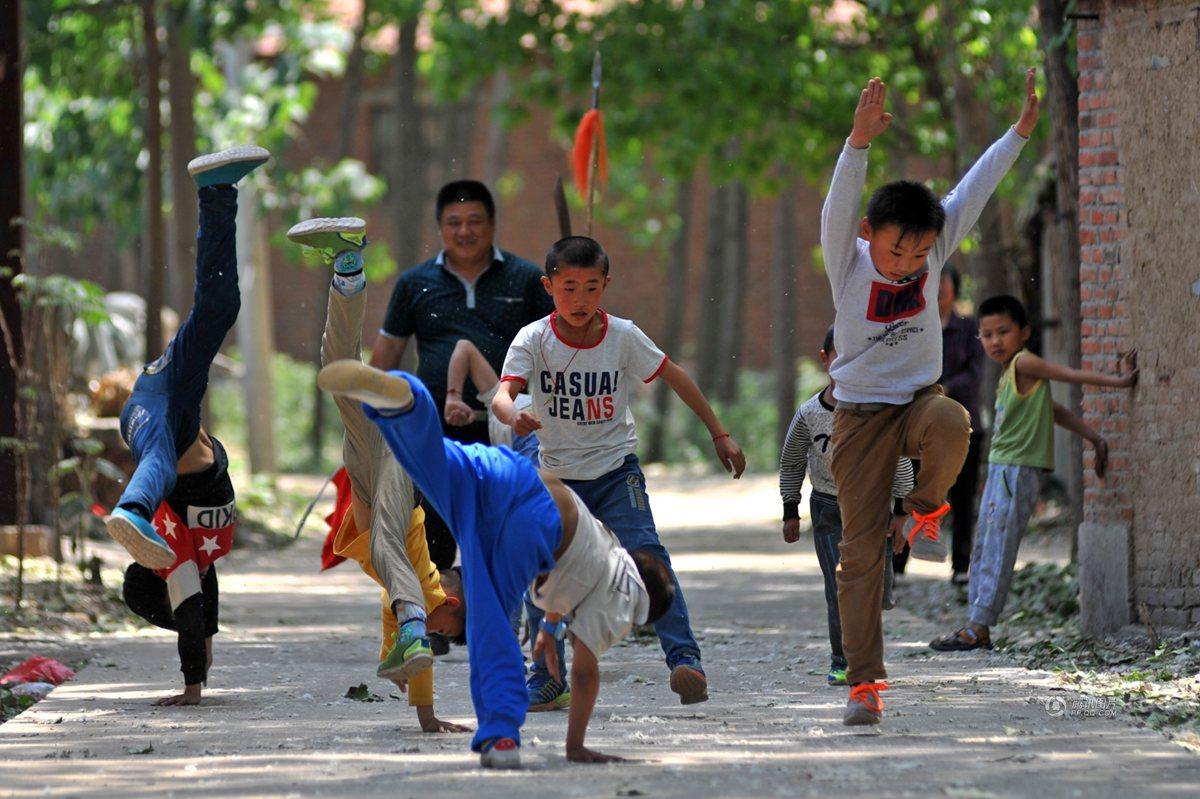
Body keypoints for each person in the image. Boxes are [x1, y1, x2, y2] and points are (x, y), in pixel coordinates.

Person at [316, 362, 676, 769]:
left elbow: (575, 579)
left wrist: (552, 625)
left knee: (431, 460)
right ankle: (503, 734)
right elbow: (586, 673)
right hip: (529, 518)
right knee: (491, 623)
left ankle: (404, 400)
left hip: (511, 477)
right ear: (641, 611)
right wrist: (576, 746)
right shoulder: (627, 595)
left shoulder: (607, 555)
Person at [820, 71, 1039, 725]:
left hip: (917, 402)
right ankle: (864, 683)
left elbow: (973, 189)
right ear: (869, 235)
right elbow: (838, 204)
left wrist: (1020, 132)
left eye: (920, 252)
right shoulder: (848, 258)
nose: (910, 263)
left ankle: (920, 511)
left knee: (954, 419)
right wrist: (857, 143)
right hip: (858, 417)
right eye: (897, 250)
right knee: (858, 555)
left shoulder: (935, 246)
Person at [492, 236, 746, 708]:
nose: (580, 300)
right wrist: (513, 416)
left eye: (591, 288)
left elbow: (675, 376)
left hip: (615, 472)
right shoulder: (533, 339)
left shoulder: (623, 336)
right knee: (537, 565)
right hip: (557, 478)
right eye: (569, 288)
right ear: (549, 287)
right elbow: (503, 394)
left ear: (606, 285)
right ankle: (547, 677)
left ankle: (685, 660)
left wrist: (719, 433)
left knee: (647, 553)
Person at [288, 216, 469, 733]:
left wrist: (427, 715)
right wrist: (416, 628)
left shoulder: (397, 606)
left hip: (364, 473)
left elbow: (412, 665)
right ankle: (404, 399)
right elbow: (422, 648)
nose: (436, 640)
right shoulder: (427, 585)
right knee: (393, 543)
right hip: (399, 473)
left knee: (337, 367)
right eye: (443, 630)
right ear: (450, 606)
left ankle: (347, 270)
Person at [107, 145, 270, 704]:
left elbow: (194, 616)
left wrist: (192, 687)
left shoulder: (175, 555)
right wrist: (200, 657)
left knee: (156, 462)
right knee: (219, 308)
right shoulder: (196, 559)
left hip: (160, 416)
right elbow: (202, 619)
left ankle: (130, 508)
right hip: (168, 399)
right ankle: (217, 190)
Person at [929, 296, 1136, 651]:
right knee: (984, 548)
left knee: (997, 547)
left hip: (1016, 470)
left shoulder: (1025, 363)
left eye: (1003, 332)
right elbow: (1052, 410)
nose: (995, 341)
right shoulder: (1011, 372)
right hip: (1001, 471)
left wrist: (1118, 382)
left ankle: (978, 627)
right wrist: (1095, 437)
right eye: (987, 334)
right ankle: (974, 625)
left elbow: (1069, 376)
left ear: (1024, 333)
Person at [369, 181, 554, 574]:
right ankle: (438, 625)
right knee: (434, 528)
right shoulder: (414, 283)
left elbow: (557, 344)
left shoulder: (526, 280)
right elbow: (386, 356)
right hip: (436, 429)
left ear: (492, 225)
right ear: (440, 228)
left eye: (474, 221)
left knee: (501, 525)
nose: (464, 231)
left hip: (507, 427)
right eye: (454, 222)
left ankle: (504, 618)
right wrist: (365, 420)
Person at [779, 325, 913, 686]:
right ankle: (845, 661)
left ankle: (866, 655)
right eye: (841, 355)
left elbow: (898, 459)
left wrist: (902, 511)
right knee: (840, 585)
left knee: (874, 591)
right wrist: (790, 509)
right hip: (827, 506)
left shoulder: (879, 412)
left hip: (873, 509)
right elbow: (791, 461)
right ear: (825, 359)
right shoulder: (810, 414)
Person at [938, 264, 987, 585]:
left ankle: (960, 565)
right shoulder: (917, 328)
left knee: (963, 496)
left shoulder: (969, 330)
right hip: (921, 426)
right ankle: (897, 565)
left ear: (955, 289)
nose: (938, 289)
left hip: (964, 424)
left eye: (943, 283)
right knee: (907, 491)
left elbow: (975, 374)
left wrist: (946, 388)